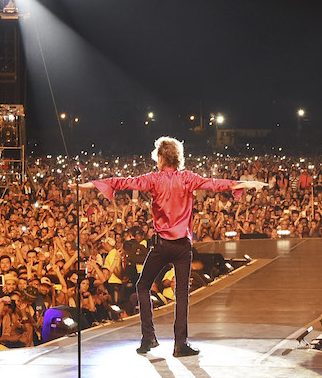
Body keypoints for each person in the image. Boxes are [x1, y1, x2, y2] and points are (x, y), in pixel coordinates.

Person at [84, 136, 265, 357]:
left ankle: (148, 338)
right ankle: (180, 344)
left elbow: (123, 182)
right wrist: (244, 184)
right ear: (177, 158)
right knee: (182, 294)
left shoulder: (153, 179)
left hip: (161, 245)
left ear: (161, 158)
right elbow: (215, 184)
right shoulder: (187, 178)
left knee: (142, 286)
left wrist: (92, 184)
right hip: (182, 247)